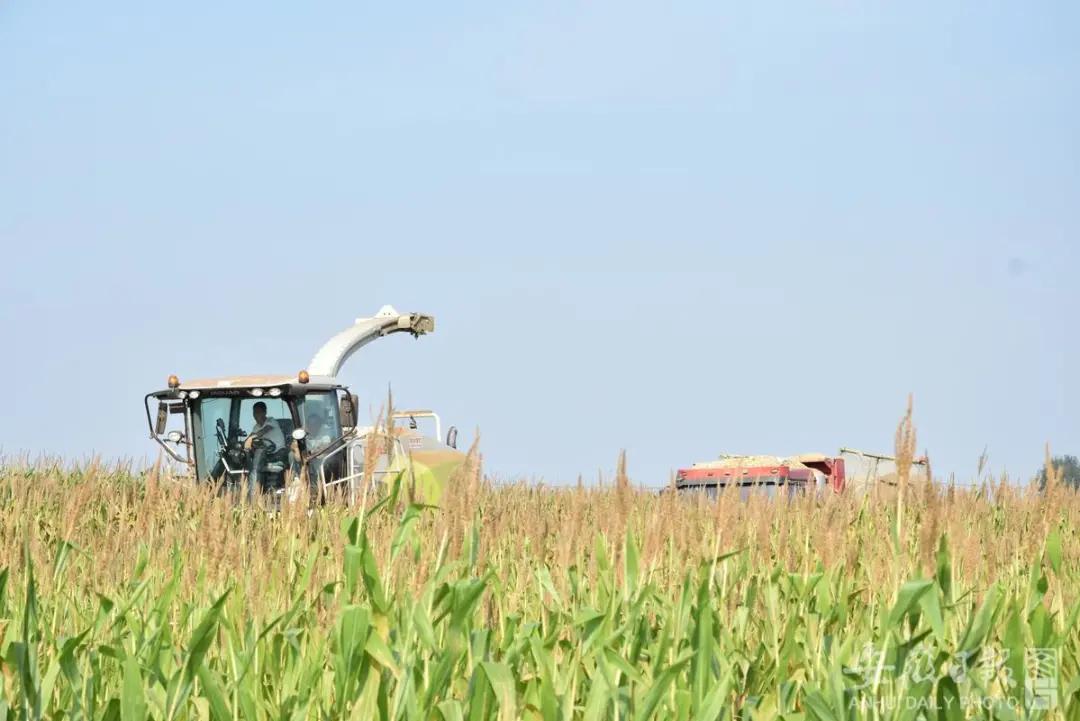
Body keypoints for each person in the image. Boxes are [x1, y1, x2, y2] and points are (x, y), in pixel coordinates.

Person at [244, 401, 286, 497]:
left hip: (278, 453)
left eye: (258, 412)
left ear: (264, 412)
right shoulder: (256, 427)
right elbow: (249, 438)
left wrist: (251, 438)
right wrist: (244, 443)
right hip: (266, 455)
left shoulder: (271, 421)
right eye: (254, 413)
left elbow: (264, 430)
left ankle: (254, 492)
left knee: (259, 454)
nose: (256, 415)